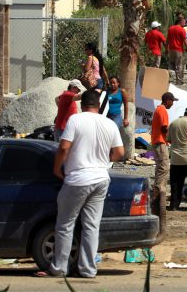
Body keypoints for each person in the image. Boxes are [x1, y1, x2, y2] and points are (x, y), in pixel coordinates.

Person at [37, 90, 124, 278]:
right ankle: (88, 269)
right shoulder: (109, 123)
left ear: (82, 104)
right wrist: (102, 161)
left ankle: (60, 267)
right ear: (98, 105)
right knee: (91, 226)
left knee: (65, 225)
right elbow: (119, 153)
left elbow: (64, 147)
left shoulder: (75, 120)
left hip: (78, 178)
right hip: (101, 179)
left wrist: (57, 168)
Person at [151, 91, 176, 236]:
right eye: (172, 101)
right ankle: (159, 190)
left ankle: (158, 190)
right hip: (160, 142)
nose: (172, 104)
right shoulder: (162, 110)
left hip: (159, 141)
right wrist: (172, 136)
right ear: (167, 100)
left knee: (161, 167)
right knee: (164, 167)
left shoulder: (159, 109)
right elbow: (164, 128)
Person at [166, 16, 187, 85]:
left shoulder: (170, 28)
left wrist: (166, 49)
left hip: (171, 49)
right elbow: (185, 41)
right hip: (178, 50)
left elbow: (167, 40)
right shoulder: (181, 30)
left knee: (171, 65)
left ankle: (167, 79)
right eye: (184, 22)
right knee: (179, 66)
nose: (185, 23)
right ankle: (179, 81)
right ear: (180, 21)